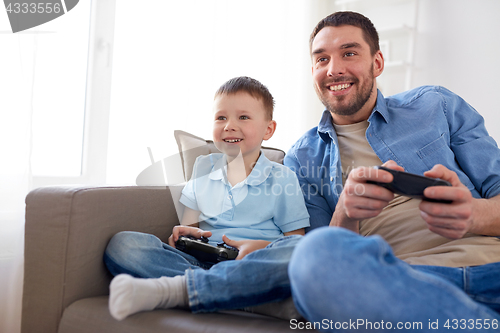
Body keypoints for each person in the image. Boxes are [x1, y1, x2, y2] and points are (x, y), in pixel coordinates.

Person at [285, 11, 500, 331]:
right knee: (311, 258)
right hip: (406, 287)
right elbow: (329, 262)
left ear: (378, 62)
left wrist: (473, 213)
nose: (334, 69)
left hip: (492, 268)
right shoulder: (301, 159)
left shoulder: (436, 105)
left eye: (349, 53)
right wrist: (346, 209)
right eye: (321, 59)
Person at [104, 76, 310, 320]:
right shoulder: (203, 166)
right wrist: (185, 234)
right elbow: (190, 225)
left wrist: (256, 247)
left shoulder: (282, 177)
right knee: (124, 245)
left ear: (269, 129)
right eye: (221, 117)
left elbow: (297, 243)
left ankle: (198, 292)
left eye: (243, 117)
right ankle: (240, 299)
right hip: (200, 262)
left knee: (300, 250)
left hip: (252, 265)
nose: (229, 126)